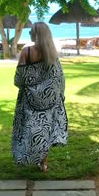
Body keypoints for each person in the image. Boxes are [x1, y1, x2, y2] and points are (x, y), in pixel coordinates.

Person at [11, 22, 68, 172]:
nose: (29, 33)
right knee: (45, 129)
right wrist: (58, 95)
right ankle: (43, 163)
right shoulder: (52, 53)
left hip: (29, 99)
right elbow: (58, 78)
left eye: (31, 31)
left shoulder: (27, 52)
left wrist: (30, 86)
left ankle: (25, 156)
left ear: (36, 35)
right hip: (49, 101)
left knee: (28, 128)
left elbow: (20, 78)